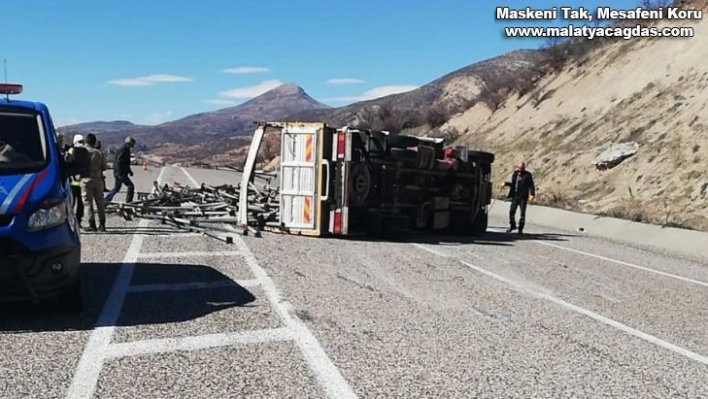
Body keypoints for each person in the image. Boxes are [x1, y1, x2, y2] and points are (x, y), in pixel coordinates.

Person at [81, 133, 107, 232]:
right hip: (98, 179)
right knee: (100, 202)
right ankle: (102, 224)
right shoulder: (99, 153)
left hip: (86, 179)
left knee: (88, 203)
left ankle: (92, 223)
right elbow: (104, 167)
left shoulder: (82, 152)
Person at [503, 161, 535, 234]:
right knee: (511, 211)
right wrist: (505, 183)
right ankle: (512, 225)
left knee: (522, 213)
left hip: (523, 197)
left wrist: (532, 194)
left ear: (524, 168)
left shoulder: (527, 175)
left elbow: (531, 185)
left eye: (521, 168)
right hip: (515, 196)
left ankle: (520, 229)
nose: (520, 169)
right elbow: (513, 184)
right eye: (519, 168)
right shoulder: (515, 174)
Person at [105, 136, 136, 203]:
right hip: (120, 173)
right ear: (128, 143)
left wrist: (129, 171)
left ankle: (106, 200)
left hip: (119, 172)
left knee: (116, 188)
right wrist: (120, 173)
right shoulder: (123, 149)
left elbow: (126, 162)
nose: (131, 147)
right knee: (130, 186)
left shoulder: (125, 149)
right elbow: (119, 161)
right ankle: (129, 202)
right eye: (131, 145)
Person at [67, 134, 85, 228]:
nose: (82, 144)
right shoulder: (71, 151)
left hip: (81, 181)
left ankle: (78, 220)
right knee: (72, 202)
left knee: (81, 203)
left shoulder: (83, 152)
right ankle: (70, 221)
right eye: (80, 142)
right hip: (73, 182)